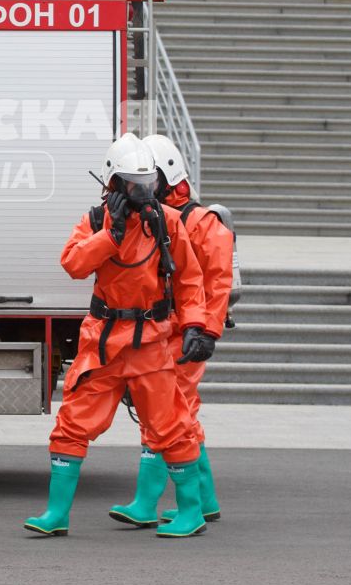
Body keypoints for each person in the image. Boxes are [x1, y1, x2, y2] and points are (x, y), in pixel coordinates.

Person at [26, 135, 214, 539]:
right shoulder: (96, 221)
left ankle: (191, 511)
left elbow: (190, 280)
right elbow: (73, 265)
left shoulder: (168, 221)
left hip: (151, 343)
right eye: (133, 185)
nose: (142, 193)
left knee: (170, 427)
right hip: (103, 344)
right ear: (113, 184)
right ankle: (56, 513)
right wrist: (109, 233)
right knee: (72, 424)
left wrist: (199, 326)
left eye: (147, 184)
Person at [108, 134, 232, 529]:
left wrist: (206, 332)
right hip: (172, 329)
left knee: (165, 416)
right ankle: (204, 501)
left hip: (185, 332)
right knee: (181, 416)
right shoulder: (161, 218)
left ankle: (148, 503)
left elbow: (215, 284)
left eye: (147, 179)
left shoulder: (199, 223)